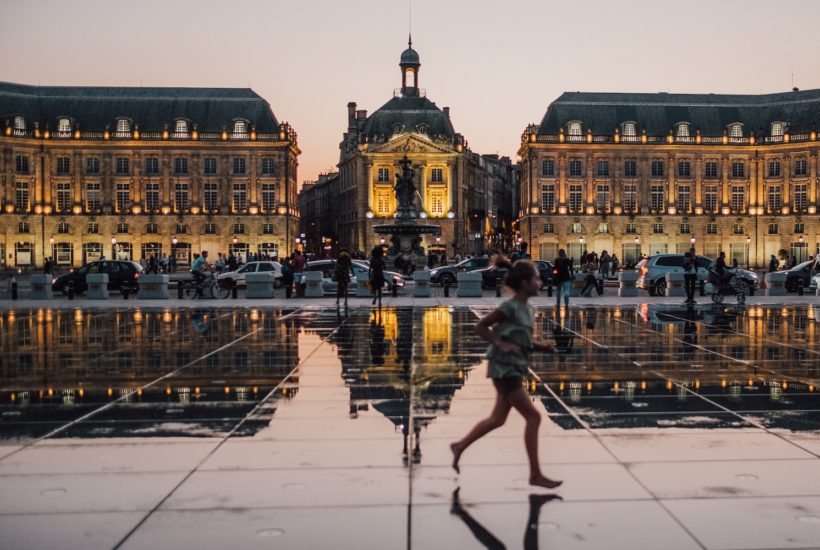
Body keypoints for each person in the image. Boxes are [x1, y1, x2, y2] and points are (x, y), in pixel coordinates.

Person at [449, 255, 562, 490]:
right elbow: (480, 326)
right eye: (536, 279)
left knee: (497, 419)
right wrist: (500, 343)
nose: (540, 283)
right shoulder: (509, 306)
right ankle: (535, 474)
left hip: (514, 366)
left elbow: (522, 339)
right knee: (533, 417)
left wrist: (542, 346)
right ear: (524, 284)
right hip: (504, 368)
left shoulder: (526, 309)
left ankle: (460, 446)